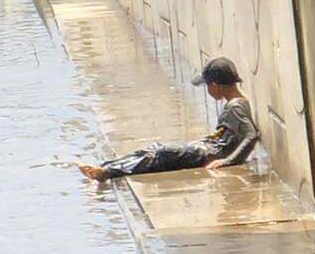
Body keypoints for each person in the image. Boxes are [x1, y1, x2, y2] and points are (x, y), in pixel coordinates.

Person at [79, 57, 260, 180]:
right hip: (204, 148)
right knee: (155, 149)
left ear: (215, 86)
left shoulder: (236, 106)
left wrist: (228, 161)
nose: (208, 90)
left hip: (205, 153)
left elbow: (251, 135)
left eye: (207, 86)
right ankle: (105, 167)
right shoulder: (236, 103)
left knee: (161, 154)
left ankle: (107, 172)